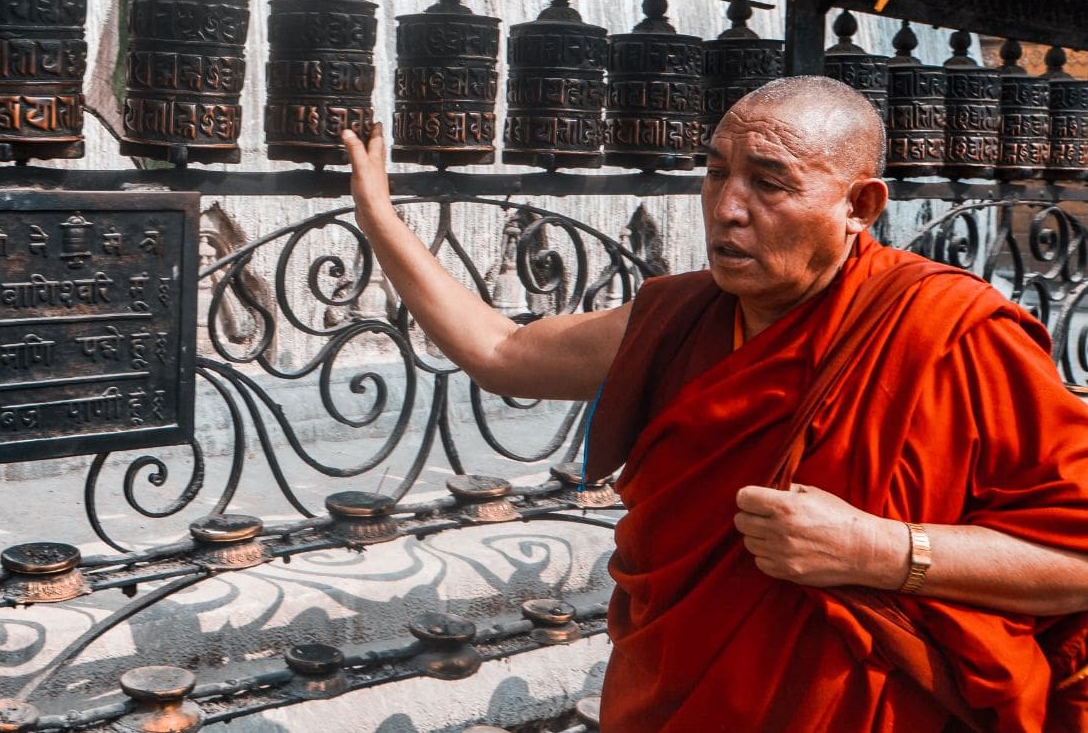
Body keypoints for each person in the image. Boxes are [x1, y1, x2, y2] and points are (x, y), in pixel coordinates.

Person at [340, 75, 1088, 732]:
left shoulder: (949, 332)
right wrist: (378, 216)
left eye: (769, 182)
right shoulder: (676, 316)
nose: (727, 206)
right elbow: (502, 352)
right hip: (672, 696)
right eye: (716, 170)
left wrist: (880, 551)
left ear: (860, 204)